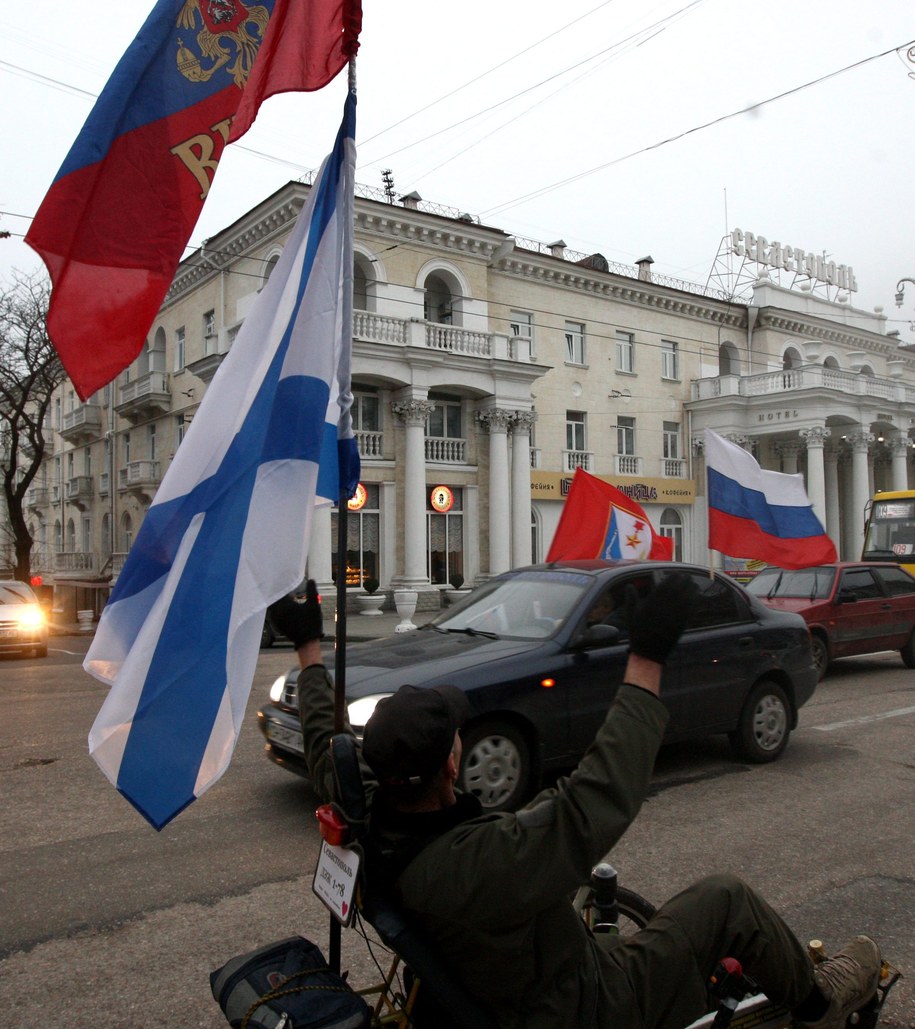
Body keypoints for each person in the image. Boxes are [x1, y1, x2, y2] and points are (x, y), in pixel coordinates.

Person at [269, 579, 882, 1029]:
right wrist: (646, 659)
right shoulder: (481, 863)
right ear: (451, 762)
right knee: (724, 898)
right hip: (582, 1005)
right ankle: (819, 1003)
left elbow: (326, 749)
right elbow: (595, 801)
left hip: (497, 979)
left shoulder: (372, 815)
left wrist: (310, 652)